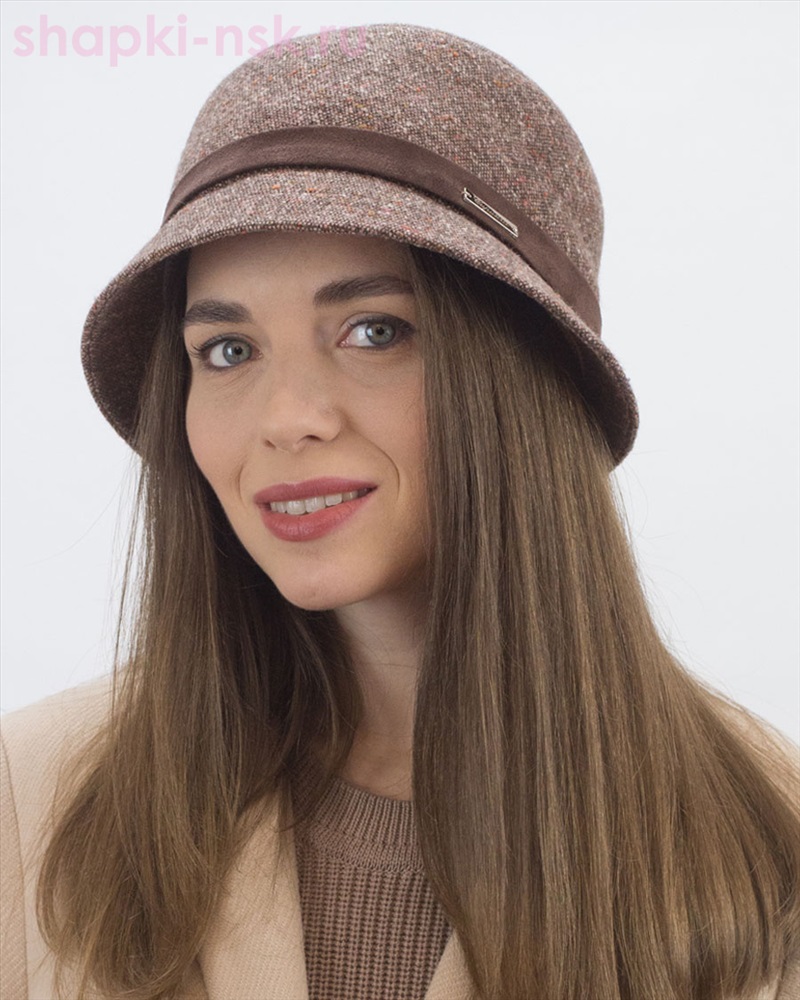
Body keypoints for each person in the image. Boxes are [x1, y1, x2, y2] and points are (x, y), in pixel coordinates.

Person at [1, 22, 798, 1000]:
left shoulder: (765, 844)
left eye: (373, 330)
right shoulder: (34, 798)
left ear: (517, 379)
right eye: (227, 351)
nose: (286, 419)